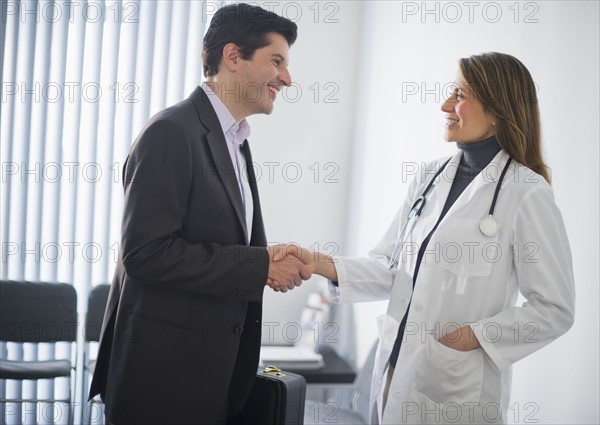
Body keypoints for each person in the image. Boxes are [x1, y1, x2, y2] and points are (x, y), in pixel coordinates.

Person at [272, 52, 575, 424]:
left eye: (460, 96)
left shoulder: (526, 192)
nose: (445, 105)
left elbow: (555, 308)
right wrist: (320, 263)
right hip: (395, 372)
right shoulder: (430, 177)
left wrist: (475, 336)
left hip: (456, 390)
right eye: (451, 92)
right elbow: (392, 270)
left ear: (498, 110)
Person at [89, 4, 309, 424]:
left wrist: (266, 260)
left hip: (213, 376)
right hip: (163, 382)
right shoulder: (172, 132)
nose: (287, 78)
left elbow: (219, 244)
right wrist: (260, 264)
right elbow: (146, 254)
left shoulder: (236, 141)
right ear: (232, 57)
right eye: (276, 61)